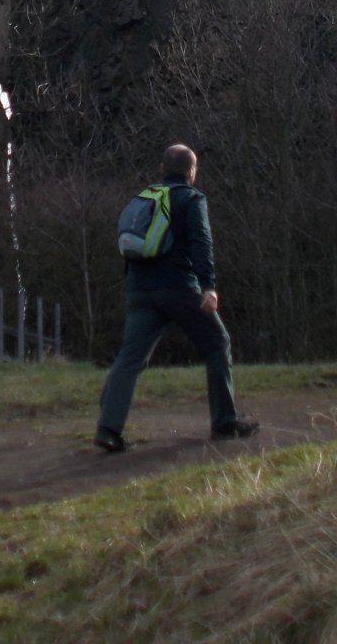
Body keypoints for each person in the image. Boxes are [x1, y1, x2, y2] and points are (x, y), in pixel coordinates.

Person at [94, 143, 258, 452]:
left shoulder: (145, 197)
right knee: (217, 343)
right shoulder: (191, 199)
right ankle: (224, 423)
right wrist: (208, 286)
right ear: (191, 172)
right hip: (181, 289)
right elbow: (201, 241)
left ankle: (107, 428)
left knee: (129, 359)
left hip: (141, 290)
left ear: (162, 169)